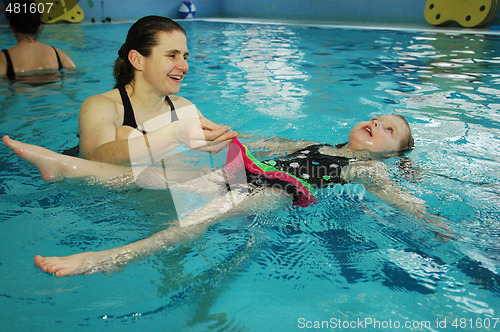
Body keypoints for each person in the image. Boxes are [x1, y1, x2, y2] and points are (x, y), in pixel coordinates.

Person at [3, 113, 448, 277]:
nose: (376, 124)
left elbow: (404, 202)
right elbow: (262, 142)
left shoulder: (367, 168)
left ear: (395, 153)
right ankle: (66, 165)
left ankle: (111, 257)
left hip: (274, 196)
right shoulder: (319, 144)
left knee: (201, 218)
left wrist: (433, 224)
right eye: (376, 118)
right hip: (247, 174)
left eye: (389, 130)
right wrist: (208, 132)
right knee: (155, 174)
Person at [75, 15, 237, 164]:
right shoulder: (101, 106)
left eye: (185, 57)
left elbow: (223, 141)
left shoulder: (183, 108)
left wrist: (259, 145)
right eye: (172, 55)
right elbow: (93, 159)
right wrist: (174, 135)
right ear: (137, 60)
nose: (184, 66)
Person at [0, 0, 76, 82]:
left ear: (11, 27)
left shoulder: (4, 58)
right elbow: (75, 78)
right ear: (39, 26)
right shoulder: (58, 55)